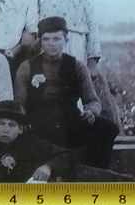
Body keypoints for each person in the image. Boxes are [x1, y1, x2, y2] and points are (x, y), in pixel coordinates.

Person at [14, 16, 119, 169]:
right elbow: (19, 104)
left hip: (69, 123)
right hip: (39, 124)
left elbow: (92, 101)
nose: (51, 44)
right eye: (46, 39)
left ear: (66, 40)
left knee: (108, 128)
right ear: (40, 41)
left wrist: (91, 112)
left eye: (57, 39)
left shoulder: (77, 66)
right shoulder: (27, 67)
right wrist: (22, 122)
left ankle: (92, 172)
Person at [0, 100, 127, 182]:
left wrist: (48, 167)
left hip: (67, 178)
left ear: (21, 129)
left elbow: (66, 155)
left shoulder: (32, 143)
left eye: (12, 125)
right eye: (1, 124)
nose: (5, 129)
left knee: (111, 181)